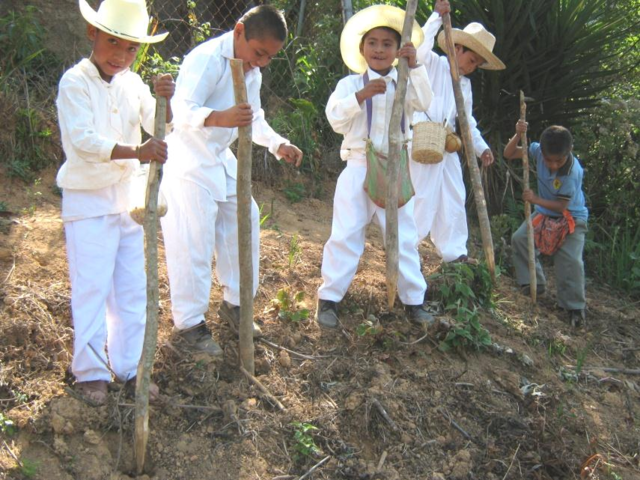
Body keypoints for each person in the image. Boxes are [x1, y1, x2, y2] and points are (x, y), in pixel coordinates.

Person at [161, 5, 303, 355]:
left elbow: (251, 118)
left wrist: (278, 143)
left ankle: (236, 304)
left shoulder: (251, 69)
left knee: (246, 221)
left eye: (270, 57)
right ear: (239, 31)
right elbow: (179, 110)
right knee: (194, 239)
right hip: (189, 161)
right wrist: (219, 117)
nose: (263, 62)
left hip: (221, 161)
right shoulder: (207, 58)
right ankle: (190, 325)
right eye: (259, 53)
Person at [57, 0, 174, 405]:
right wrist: (137, 152)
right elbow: (83, 142)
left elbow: (161, 122)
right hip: (88, 201)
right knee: (91, 287)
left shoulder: (133, 83)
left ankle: (131, 367)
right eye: (113, 43)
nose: (120, 56)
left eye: (130, 49)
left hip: (128, 201)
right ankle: (90, 372)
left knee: (131, 287)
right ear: (93, 34)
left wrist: (165, 99)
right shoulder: (75, 82)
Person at [315, 5, 435, 329]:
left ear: (397, 51)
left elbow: (425, 101)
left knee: (402, 235)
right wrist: (361, 96)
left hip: (394, 171)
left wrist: (417, 64)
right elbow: (335, 118)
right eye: (373, 43)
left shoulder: (405, 82)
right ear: (362, 48)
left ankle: (414, 302)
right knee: (346, 233)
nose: (379, 49)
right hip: (357, 167)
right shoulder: (348, 84)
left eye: (387, 44)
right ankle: (328, 300)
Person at [411, 0, 505, 263]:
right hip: (423, 138)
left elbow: (466, 121)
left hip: (447, 143)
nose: (472, 66)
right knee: (422, 194)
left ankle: (454, 253)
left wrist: (481, 147)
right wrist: (437, 18)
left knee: (454, 195)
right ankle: (407, 246)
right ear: (456, 48)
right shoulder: (433, 64)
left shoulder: (464, 86)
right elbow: (418, 49)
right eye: (471, 59)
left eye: (477, 64)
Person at [504, 121, 589, 326]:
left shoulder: (572, 172)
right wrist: (517, 135)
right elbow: (509, 153)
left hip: (571, 217)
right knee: (521, 239)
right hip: (543, 212)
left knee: (570, 260)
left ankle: (574, 307)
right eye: (549, 160)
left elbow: (560, 206)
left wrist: (534, 199)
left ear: (568, 152)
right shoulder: (538, 152)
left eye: (558, 161)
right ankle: (533, 283)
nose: (552, 165)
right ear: (541, 151)